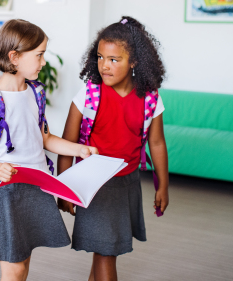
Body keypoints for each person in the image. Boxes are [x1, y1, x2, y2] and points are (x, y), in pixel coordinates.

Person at [0, 19, 98, 281]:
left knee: (25, 258)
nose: (43, 63)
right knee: (14, 267)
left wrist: (79, 149)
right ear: (14, 57)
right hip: (7, 191)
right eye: (39, 55)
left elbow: (44, 138)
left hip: (37, 185)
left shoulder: (36, 92)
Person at [58, 16, 169, 281]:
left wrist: (162, 184)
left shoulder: (150, 98)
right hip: (95, 186)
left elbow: (156, 142)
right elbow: (67, 145)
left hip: (127, 183)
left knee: (105, 251)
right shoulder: (88, 95)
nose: (104, 66)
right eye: (99, 57)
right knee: (106, 252)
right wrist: (64, 190)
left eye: (113, 60)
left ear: (134, 62)